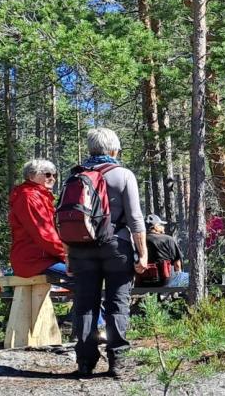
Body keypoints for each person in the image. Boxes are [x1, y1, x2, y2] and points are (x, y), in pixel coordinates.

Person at [67, 128, 147, 378]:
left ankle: (85, 362)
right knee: (117, 303)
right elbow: (135, 218)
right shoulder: (123, 175)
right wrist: (143, 253)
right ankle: (118, 361)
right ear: (113, 150)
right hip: (116, 246)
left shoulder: (75, 176)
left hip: (80, 248)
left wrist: (69, 255)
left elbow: (68, 218)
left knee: (84, 305)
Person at [9, 159, 69, 283]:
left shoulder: (41, 196)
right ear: (32, 176)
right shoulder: (29, 197)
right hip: (34, 261)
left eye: (54, 175)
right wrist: (67, 255)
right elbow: (44, 235)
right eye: (47, 174)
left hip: (44, 259)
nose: (52, 178)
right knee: (84, 274)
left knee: (87, 274)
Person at [143, 215, 183, 284]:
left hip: (143, 280)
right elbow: (177, 264)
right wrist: (179, 281)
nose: (163, 227)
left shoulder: (140, 240)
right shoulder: (168, 239)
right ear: (155, 227)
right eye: (161, 225)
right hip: (165, 281)